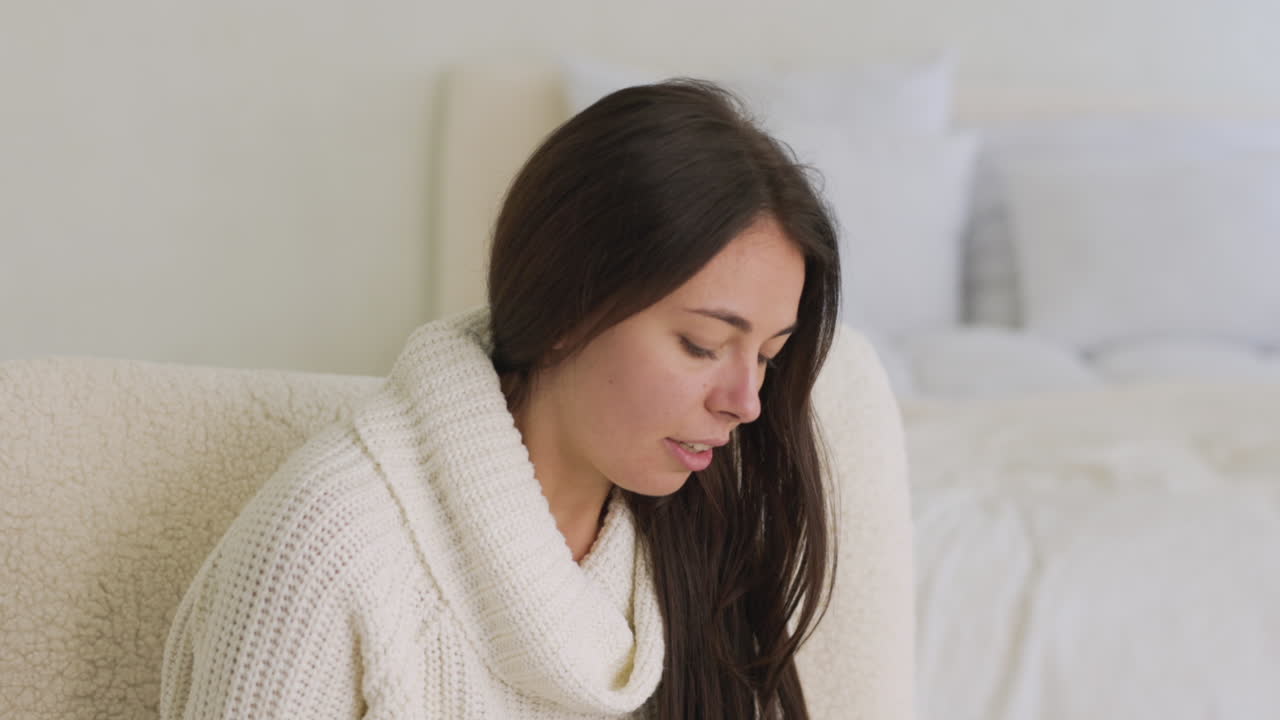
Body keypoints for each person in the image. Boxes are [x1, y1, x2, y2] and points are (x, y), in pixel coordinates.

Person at [159, 78, 913, 719]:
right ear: (566, 312)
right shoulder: (328, 546)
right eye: (702, 345)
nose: (746, 402)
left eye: (771, 358)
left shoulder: (689, 531)